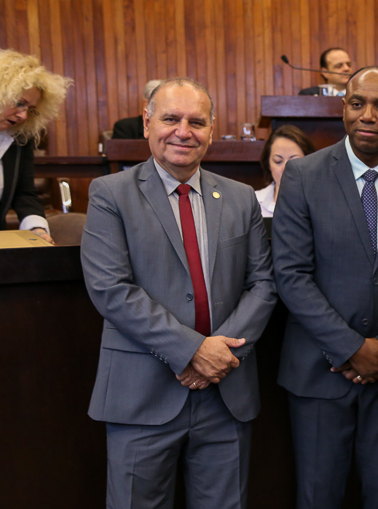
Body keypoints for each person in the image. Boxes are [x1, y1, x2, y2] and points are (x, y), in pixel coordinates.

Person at [81, 77, 276, 509]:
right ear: (147, 123)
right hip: (142, 394)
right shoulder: (111, 194)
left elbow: (263, 284)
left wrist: (218, 357)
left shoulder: (241, 198)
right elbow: (111, 289)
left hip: (226, 393)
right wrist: (192, 351)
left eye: (196, 122)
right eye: (171, 119)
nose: (183, 132)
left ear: (212, 129)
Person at [272, 66, 378, 509]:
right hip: (318, 373)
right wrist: (351, 347)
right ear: (343, 108)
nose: (367, 115)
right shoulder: (303, 175)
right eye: (357, 103)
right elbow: (291, 274)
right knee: (317, 497)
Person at [0, 49, 71, 243]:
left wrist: (36, 229)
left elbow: (24, 193)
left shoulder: (20, 138)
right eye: (19, 103)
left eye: (30, 109)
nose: (23, 115)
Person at [256, 125, 315, 218]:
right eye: (278, 161)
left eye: (294, 161)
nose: (285, 168)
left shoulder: (322, 201)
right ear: (268, 164)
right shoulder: (254, 202)